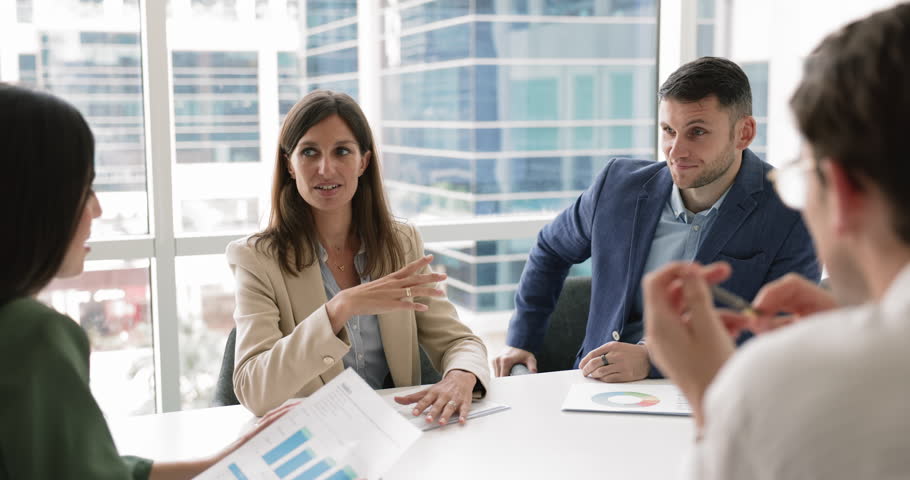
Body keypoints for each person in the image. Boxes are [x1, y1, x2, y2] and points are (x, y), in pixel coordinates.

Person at [643, 4, 910, 478]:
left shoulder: (778, 387)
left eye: (803, 179)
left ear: (842, 191)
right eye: (668, 131)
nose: (676, 149)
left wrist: (717, 405)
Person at [0, 83, 292, 479]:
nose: (98, 209)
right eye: (85, 190)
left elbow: (88, 468)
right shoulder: (33, 336)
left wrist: (214, 464)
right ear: (33, 202)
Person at [494, 57, 820, 380]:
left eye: (697, 132)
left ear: (744, 133)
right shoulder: (616, 186)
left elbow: (780, 332)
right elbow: (550, 249)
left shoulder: (792, 211)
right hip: (597, 387)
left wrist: (654, 360)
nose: (676, 151)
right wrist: (522, 340)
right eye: (668, 130)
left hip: (717, 390)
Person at [227, 90, 490, 425]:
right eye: (309, 152)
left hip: (397, 434)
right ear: (289, 165)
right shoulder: (256, 259)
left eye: (342, 151)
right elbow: (254, 389)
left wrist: (461, 376)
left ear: (363, 162)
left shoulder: (401, 242)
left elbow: (458, 341)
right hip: (313, 440)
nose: (326, 169)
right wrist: (339, 309)